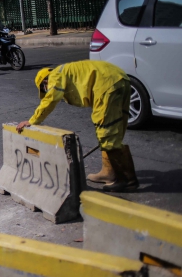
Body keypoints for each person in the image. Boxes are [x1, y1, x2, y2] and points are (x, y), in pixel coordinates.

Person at [16, 60, 138, 192]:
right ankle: (109, 172)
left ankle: (127, 179)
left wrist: (33, 121)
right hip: (120, 78)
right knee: (114, 130)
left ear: (44, 82)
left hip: (108, 84)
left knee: (106, 133)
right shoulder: (68, 72)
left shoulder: (55, 75)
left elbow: (50, 99)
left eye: (44, 89)